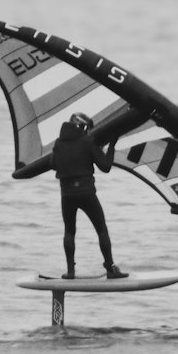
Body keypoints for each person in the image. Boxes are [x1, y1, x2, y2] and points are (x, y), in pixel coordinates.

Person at [51, 113, 127, 279]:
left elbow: (52, 164)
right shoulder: (87, 142)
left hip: (67, 194)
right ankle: (110, 269)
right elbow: (105, 166)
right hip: (86, 193)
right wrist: (112, 145)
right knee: (101, 229)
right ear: (84, 128)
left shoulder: (58, 143)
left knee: (69, 231)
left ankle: (70, 272)